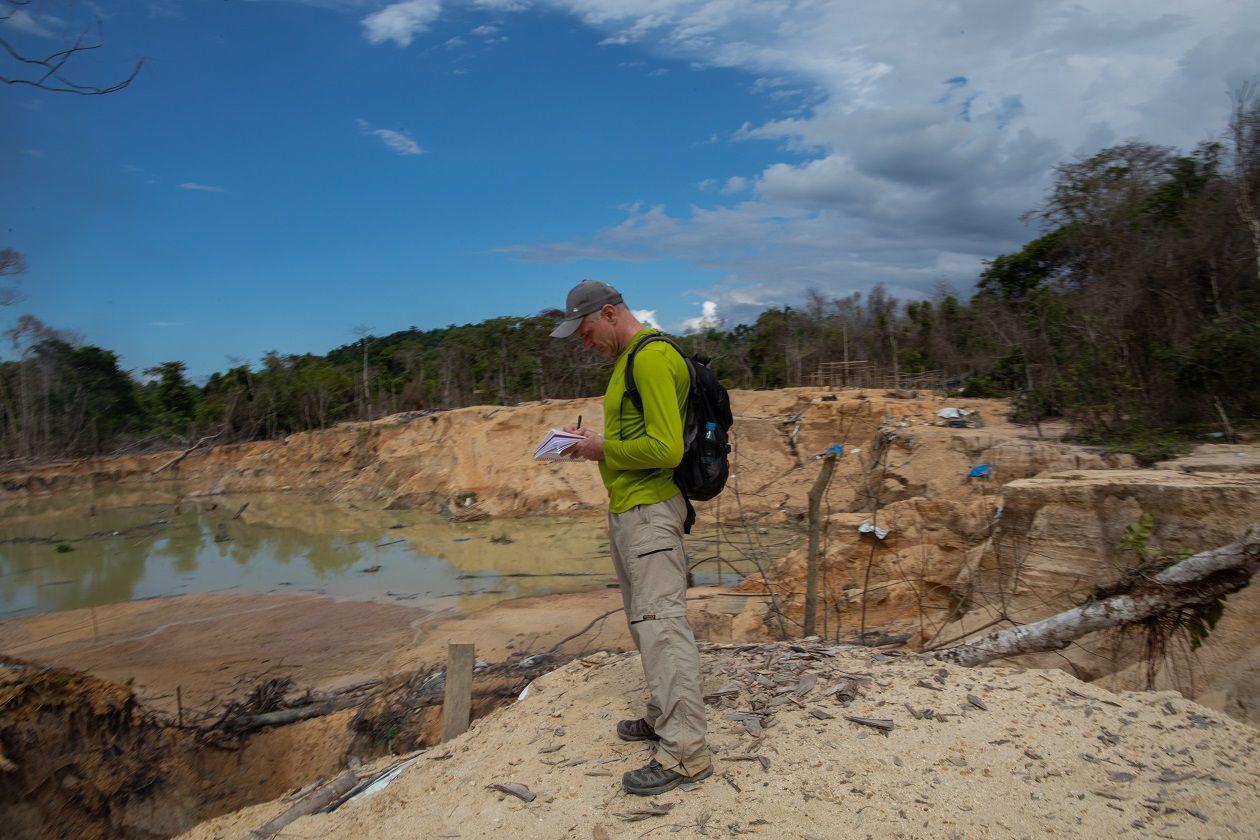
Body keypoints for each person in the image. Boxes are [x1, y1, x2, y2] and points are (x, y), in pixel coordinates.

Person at [550, 279, 713, 796]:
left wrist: (600, 448)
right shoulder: (628, 362)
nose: (584, 342)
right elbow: (637, 436)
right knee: (646, 623)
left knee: (663, 625)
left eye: (586, 330)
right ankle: (664, 716)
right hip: (630, 510)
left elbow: (664, 449)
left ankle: (685, 753)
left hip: (650, 512)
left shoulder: (649, 358)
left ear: (611, 312)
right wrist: (594, 442)